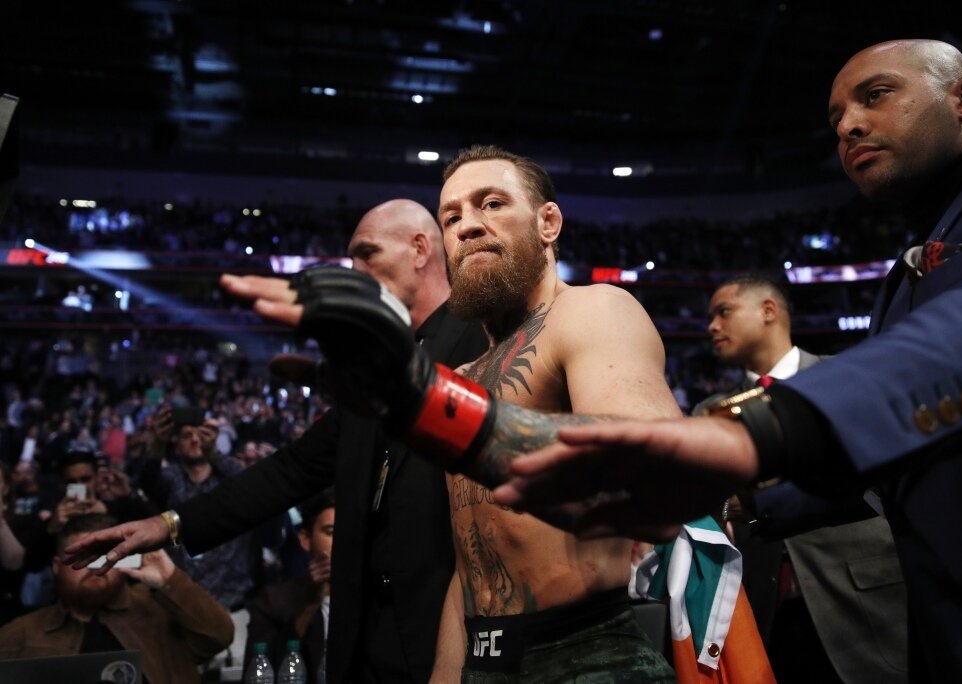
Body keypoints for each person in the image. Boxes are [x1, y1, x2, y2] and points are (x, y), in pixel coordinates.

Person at [489, 39, 962, 681]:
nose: (849, 126)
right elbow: (898, 471)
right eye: (836, 118)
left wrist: (753, 432)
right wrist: (740, 495)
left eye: (876, 95)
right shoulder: (914, 261)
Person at [181, 146, 683, 680]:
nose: (468, 224)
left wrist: (432, 406)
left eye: (492, 203)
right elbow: (467, 574)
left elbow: (657, 491)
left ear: (548, 222)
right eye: (452, 216)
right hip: (480, 657)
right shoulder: (464, 375)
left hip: (585, 652)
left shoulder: (593, 311)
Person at [64, 199, 489, 683]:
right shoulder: (367, 373)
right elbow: (291, 469)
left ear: (419, 249)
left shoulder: (482, 340)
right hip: (365, 643)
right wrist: (169, 523)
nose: (356, 270)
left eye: (367, 253)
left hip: (448, 639)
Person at [695, 275, 907, 683]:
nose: (712, 327)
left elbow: (881, 475)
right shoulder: (710, 411)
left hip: (865, 603)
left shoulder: (846, 377)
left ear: (768, 311)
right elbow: (713, 509)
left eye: (723, 312)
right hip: (764, 613)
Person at [0, 513, 234, 684]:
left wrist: (170, 581)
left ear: (124, 559)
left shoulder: (161, 610)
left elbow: (220, 637)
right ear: (56, 566)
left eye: (105, 556)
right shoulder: (25, 632)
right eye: (80, 557)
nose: (94, 566)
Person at [244, 488, 335, 678]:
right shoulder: (273, 603)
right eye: (331, 532)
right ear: (305, 539)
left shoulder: (375, 599)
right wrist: (312, 601)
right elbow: (261, 673)